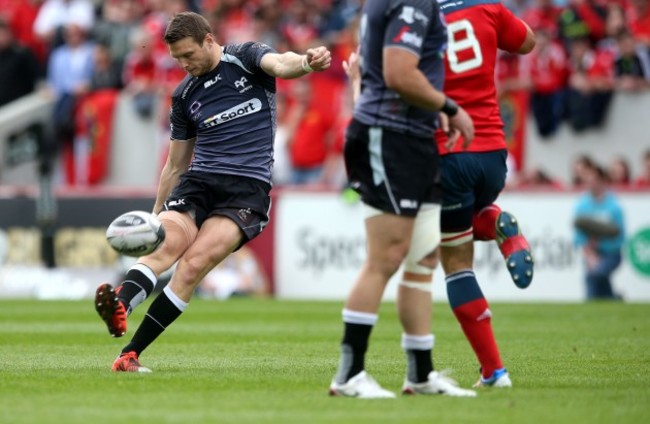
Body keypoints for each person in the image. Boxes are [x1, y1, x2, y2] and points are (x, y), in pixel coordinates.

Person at [94, 11, 332, 372]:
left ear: (208, 40)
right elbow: (175, 165)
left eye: (188, 55)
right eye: (177, 59)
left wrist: (306, 62)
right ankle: (121, 306)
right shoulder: (184, 95)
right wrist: (155, 216)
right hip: (200, 182)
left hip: (246, 190)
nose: (184, 64)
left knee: (191, 266)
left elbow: (282, 65)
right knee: (167, 246)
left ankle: (130, 353)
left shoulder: (247, 57)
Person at [328, 0, 476, 399]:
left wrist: (432, 110)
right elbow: (397, 72)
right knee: (386, 257)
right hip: (389, 134)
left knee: (423, 258)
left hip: (413, 134)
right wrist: (449, 106)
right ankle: (349, 374)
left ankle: (421, 374)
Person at [430, 0, 536, 388]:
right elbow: (527, 42)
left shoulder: (417, 15)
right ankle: (492, 220)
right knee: (458, 223)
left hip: (450, 151)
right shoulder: (487, 5)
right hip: (493, 150)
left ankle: (494, 371)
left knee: (455, 262)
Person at [573, 164, 625, 300]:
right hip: (592, 253)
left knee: (595, 275)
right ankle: (613, 299)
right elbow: (578, 236)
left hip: (611, 253)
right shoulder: (582, 205)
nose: (589, 184)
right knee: (594, 275)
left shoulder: (613, 206)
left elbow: (620, 235)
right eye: (587, 181)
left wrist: (601, 245)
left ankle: (603, 301)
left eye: (592, 180)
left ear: (602, 181)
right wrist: (590, 255)